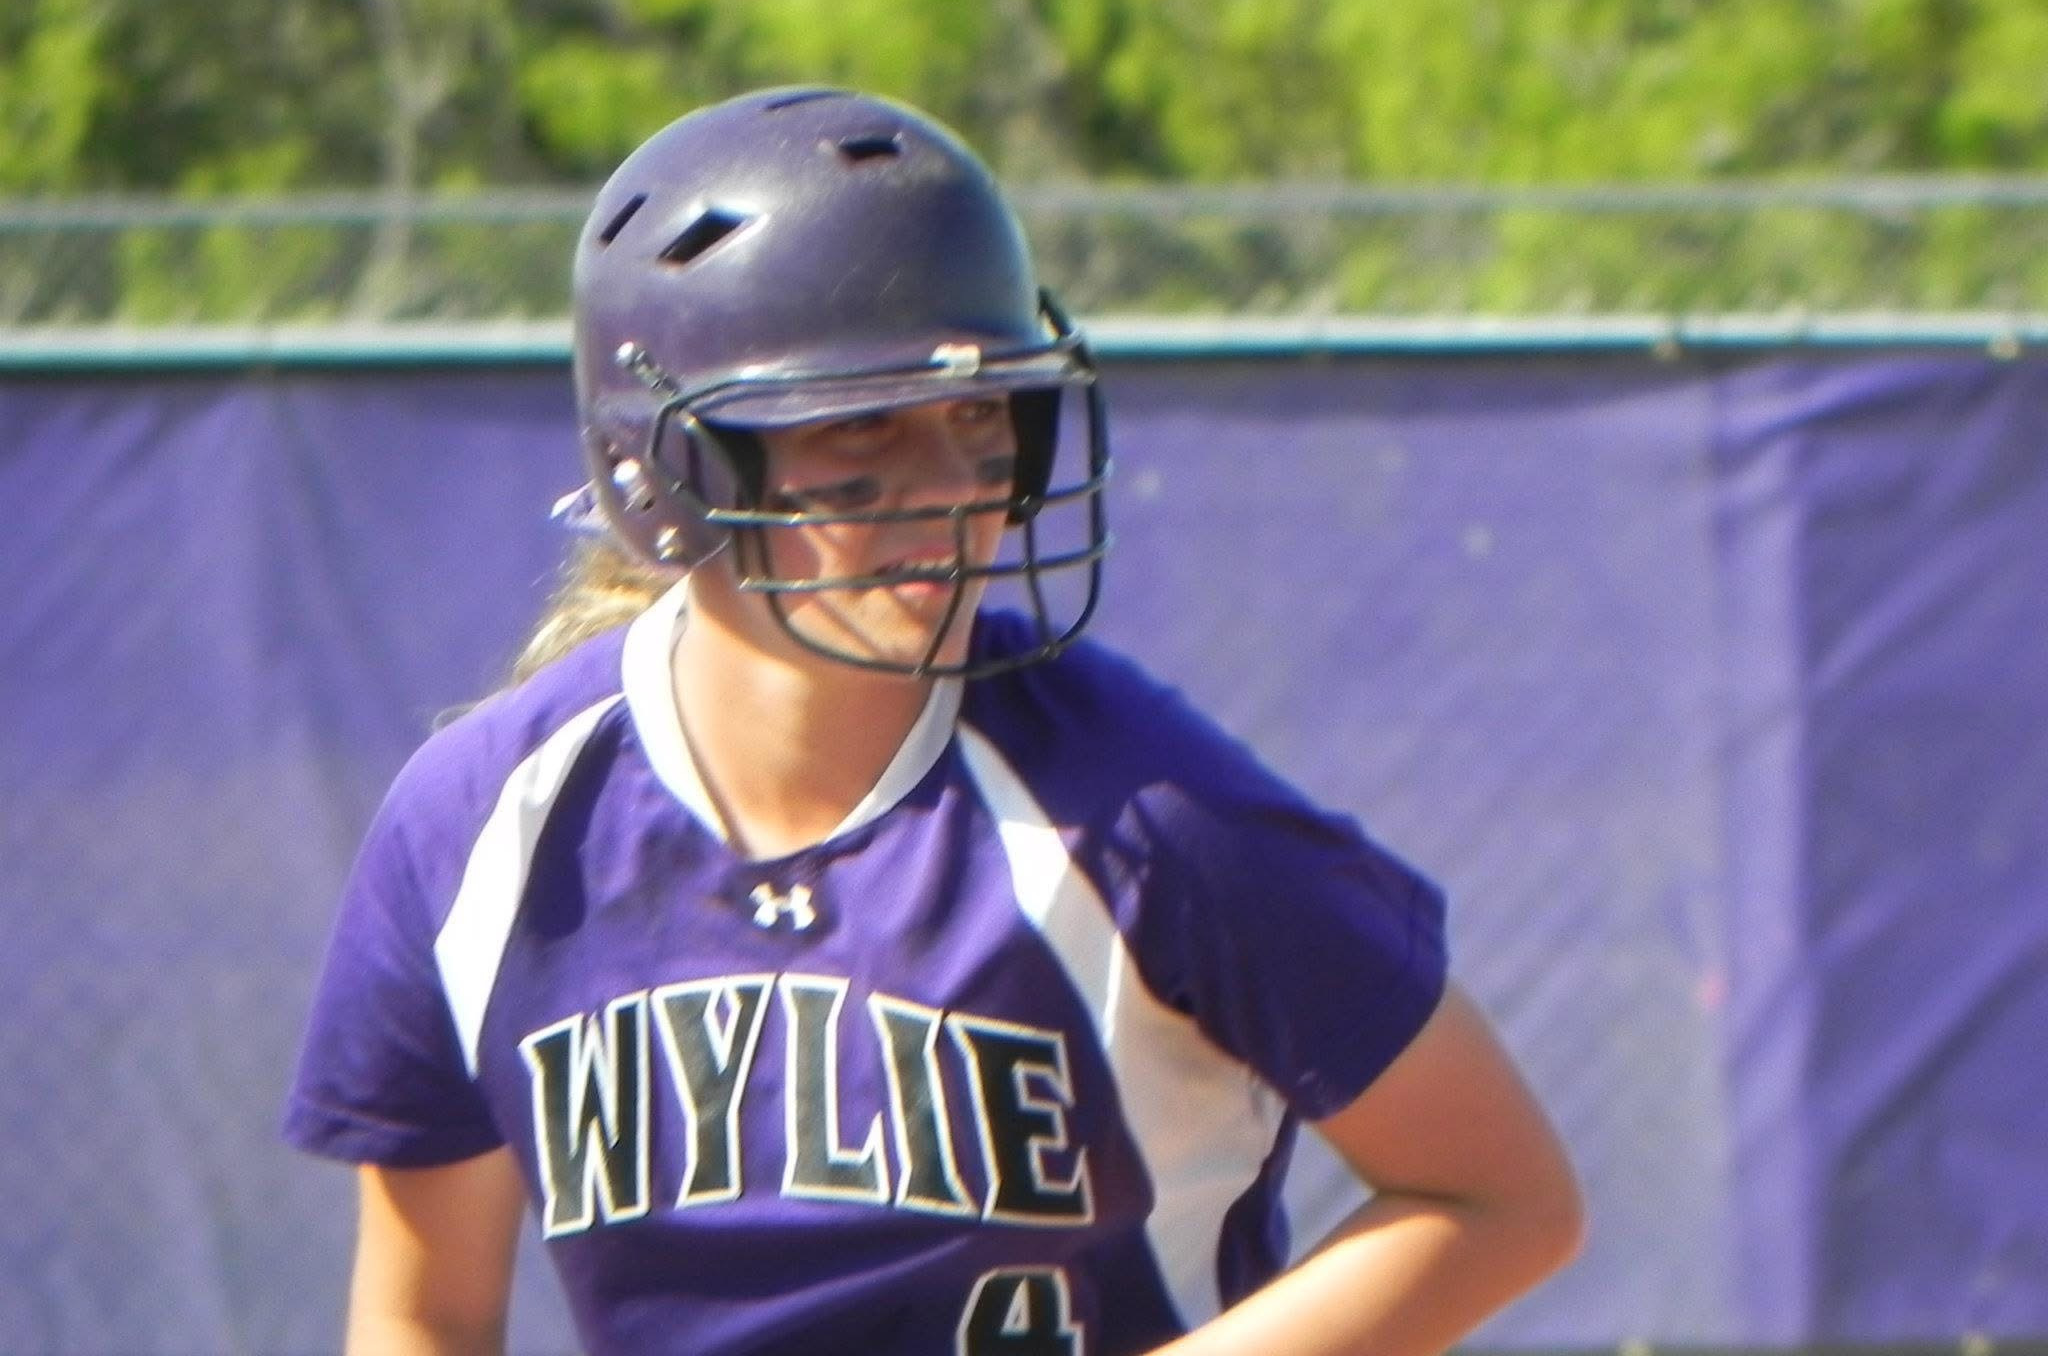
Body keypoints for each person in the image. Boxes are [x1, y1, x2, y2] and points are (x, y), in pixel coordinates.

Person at [285, 87, 1584, 1356]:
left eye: (980, 417)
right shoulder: (486, 830)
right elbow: (423, 1315)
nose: (951, 487)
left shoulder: (1141, 816)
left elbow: (1498, 1199)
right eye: (861, 429)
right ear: (667, 473)